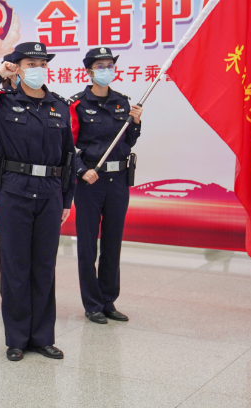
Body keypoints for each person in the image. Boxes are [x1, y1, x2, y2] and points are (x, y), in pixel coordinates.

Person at [0, 42, 76, 362]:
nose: (38, 67)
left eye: (42, 62)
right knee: (15, 267)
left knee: (43, 267)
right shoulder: (0, 102)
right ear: (17, 66)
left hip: (50, 193)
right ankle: (16, 338)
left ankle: (42, 337)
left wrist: (67, 197)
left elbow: (69, 156)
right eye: (30, 62)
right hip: (14, 193)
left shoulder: (59, 106)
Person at [69, 48, 142, 324]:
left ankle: (108, 300)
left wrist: (135, 122)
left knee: (112, 242)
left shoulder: (122, 102)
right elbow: (66, 145)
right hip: (90, 181)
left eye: (109, 65)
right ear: (89, 72)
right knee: (88, 244)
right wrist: (81, 170)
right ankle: (92, 304)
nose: (106, 70)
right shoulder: (76, 105)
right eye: (100, 66)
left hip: (118, 180)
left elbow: (128, 142)